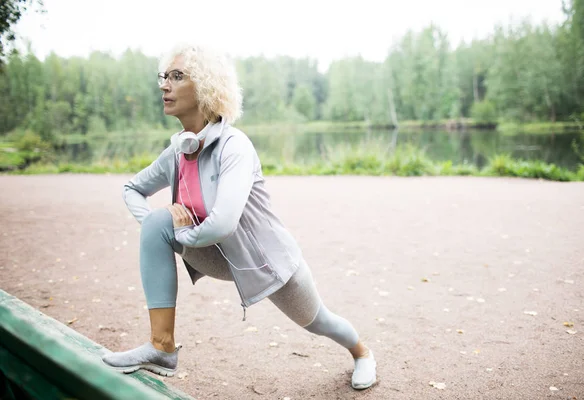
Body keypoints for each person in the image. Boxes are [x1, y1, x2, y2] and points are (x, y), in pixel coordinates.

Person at [100, 43, 377, 390]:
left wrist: (182, 233)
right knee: (158, 222)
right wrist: (159, 227)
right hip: (212, 252)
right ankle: (161, 348)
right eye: (163, 76)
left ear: (205, 85)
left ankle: (362, 353)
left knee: (318, 321)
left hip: (266, 262)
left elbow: (223, 222)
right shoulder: (177, 151)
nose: (164, 85)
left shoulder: (235, 146)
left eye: (176, 76)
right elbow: (132, 189)